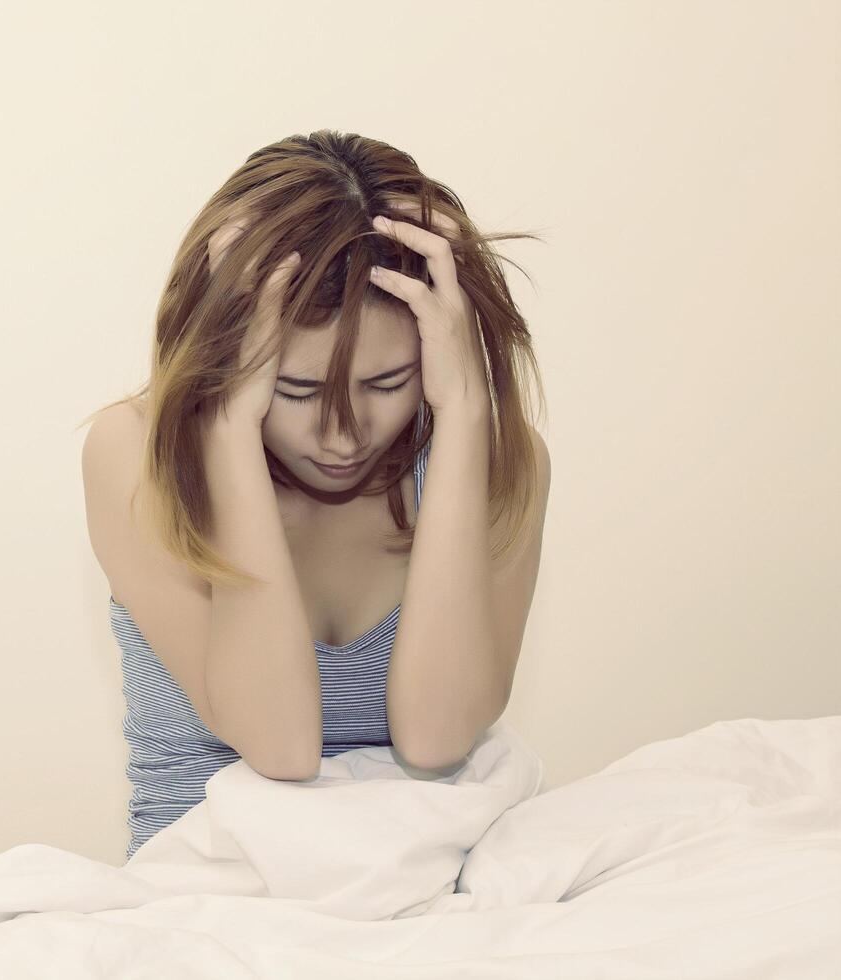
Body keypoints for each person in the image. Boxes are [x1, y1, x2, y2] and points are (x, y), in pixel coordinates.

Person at [78, 129, 552, 861]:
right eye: (295, 389)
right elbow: (280, 746)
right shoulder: (135, 457)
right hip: (208, 884)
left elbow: (436, 739)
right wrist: (230, 427)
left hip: (424, 873)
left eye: (386, 384)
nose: (341, 436)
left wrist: (464, 417)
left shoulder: (495, 464)